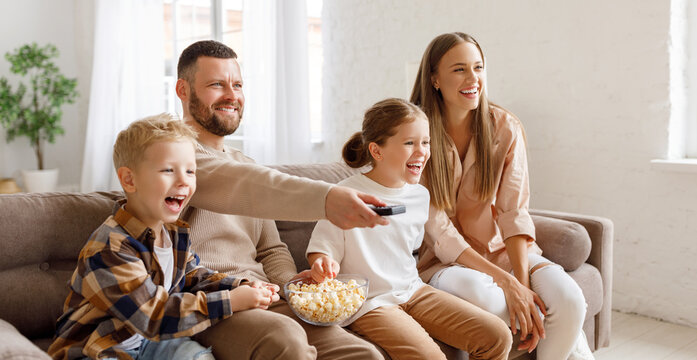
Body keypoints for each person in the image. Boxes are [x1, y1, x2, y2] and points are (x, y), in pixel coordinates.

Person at [174, 40, 384, 360]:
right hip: (213, 304)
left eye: (238, 85)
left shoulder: (246, 163)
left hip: (267, 300)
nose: (232, 95)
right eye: (217, 85)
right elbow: (243, 184)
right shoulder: (172, 156)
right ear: (183, 90)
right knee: (286, 340)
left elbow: (271, 249)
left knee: (360, 353)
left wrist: (292, 286)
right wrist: (327, 198)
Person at [410, 32, 594, 360]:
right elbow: (439, 232)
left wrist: (520, 282)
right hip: (443, 263)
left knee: (570, 300)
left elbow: (514, 212)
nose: (473, 79)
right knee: (488, 297)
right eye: (459, 70)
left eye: (478, 67)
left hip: (501, 253)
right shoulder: (416, 135)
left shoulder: (505, 127)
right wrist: (507, 286)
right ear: (435, 78)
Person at [48, 114, 279, 360]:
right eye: (168, 170)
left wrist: (241, 285)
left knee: (200, 357)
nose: (183, 181)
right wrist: (230, 301)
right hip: (98, 349)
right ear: (129, 180)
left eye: (190, 171)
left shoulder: (173, 233)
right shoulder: (109, 248)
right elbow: (153, 315)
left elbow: (194, 277)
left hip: (150, 343)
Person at [306, 98, 512, 360]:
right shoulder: (345, 196)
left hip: (413, 290)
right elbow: (322, 249)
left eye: (425, 142)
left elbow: (443, 242)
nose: (422, 151)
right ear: (377, 151)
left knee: (497, 335)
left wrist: (505, 279)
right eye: (409, 143)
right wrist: (323, 263)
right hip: (371, 303)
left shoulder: (419, 196)